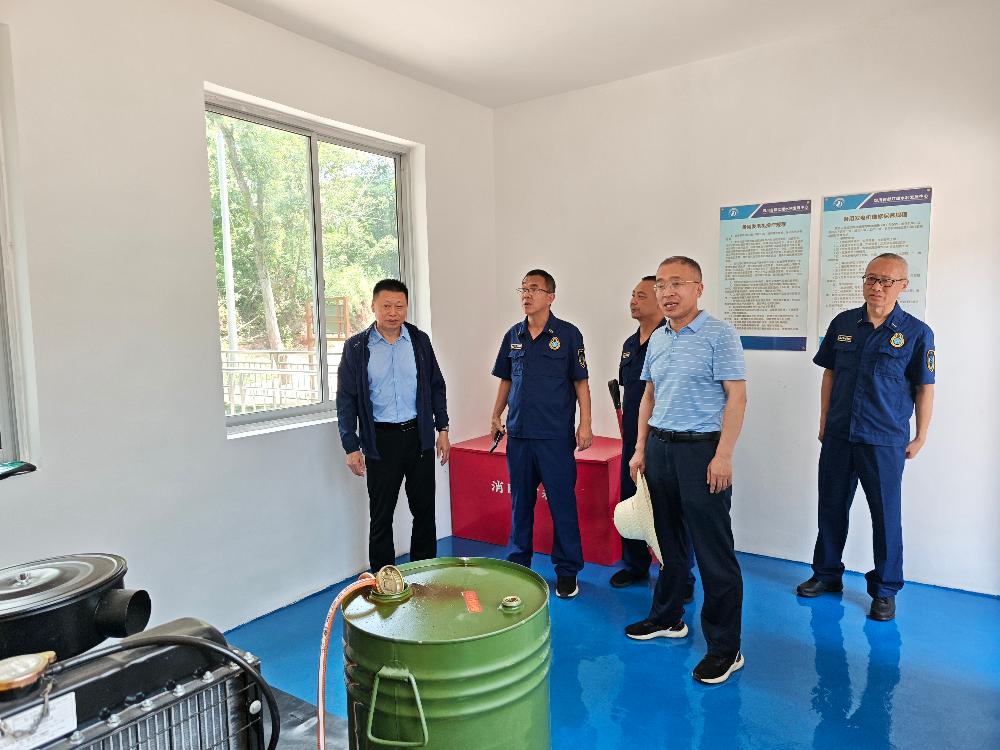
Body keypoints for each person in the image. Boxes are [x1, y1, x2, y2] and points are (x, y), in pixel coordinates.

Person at [628, 256, 748, 685]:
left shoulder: (719, 334)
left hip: (702, 452)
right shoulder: (658, 338)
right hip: (659, 449)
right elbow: (649, 396)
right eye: (661, 284)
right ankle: (668, 617)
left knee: (714, 553)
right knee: (666, 545)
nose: (667, 292)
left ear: (698, 288)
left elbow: (737, 397)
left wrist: (724, 455)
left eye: (676, 283)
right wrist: (640, 448)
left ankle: (725, 649)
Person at [797, 253, 935, 622]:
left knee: (886, 515)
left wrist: (920, 436)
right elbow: (829, 374)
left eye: (887, 281)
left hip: (884, 438)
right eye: (871, 278)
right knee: (831, 506)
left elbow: (925, 387)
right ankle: (826, 574)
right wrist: (824, 419)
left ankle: (885, 590)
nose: (877, 287)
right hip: (840, 433)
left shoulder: (917, 333)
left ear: (903, 285)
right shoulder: (844, 323)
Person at [336, 279, 450, 572]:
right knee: (381, 515)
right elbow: (346, 399)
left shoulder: (419, 341)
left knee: (424, 512)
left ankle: (424, 577)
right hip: (380, 441)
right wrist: (351, 446)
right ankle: (384, 582)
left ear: (407, 307)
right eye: (386, 305)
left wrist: (443, 430)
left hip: (419, 437)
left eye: (399, 306)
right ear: (373, 306)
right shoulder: (357, 347)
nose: (393, 312)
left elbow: (436, 386)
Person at [491, 269, 592, 599]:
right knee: (520, 503)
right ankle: (519, 565)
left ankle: (567, 571)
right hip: (519, 434)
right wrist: (495, 414)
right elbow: (506, 379)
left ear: (550, 297)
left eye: (534, 289)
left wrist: (585, 423)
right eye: (523, 288)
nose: (526, 294)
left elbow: (580, 383)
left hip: (554, 437)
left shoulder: (568, 335)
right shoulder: (513, 334)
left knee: (562, 504)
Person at [610, 276, 696, 599]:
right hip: (633, 440)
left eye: (641, 296)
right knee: (632, 502)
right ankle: (634, 565)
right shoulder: (630, 344)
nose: (633, 301)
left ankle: (681, 577)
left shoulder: (671, 341)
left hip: (662, 440)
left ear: (660, 302)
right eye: (632, 295)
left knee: (669, 510)